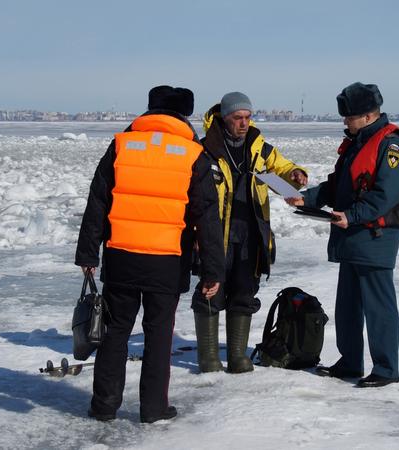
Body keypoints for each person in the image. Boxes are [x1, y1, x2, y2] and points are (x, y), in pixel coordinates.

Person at [75, 85, 225, 423]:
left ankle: (103, 406)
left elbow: (97, 200)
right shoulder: (191, 153)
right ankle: (154, 408)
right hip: (167, 261)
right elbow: (207, 217)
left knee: (115, 333)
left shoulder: (123, 146)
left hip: (122, 257)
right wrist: (213, 271)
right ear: (183, 115)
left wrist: (88, 254)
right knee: (158, 335)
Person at [286, 82, 399, 388]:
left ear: (367, 114)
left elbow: (387, 194)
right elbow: (337, 186)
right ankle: (350, 363)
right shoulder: (358, 143)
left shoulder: (391, 144)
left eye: (348, 116)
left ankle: (386, 369)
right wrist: (307, 199)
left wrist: (353, 216)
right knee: (347, 306)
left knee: (378, 308)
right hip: (351, 236)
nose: (344, 121)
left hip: (374, 238)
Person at [192, 92, 308, 374]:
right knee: (211, 289)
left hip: (251, 234)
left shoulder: (259, 148)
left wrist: (295, 175)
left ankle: (236, 356)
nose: (244, 123)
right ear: (224, 118)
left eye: (247, 117)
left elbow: (281, 166)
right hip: (215, 233)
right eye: (237, 118)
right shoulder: (203, 149)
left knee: (244, 289)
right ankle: (208, 356)